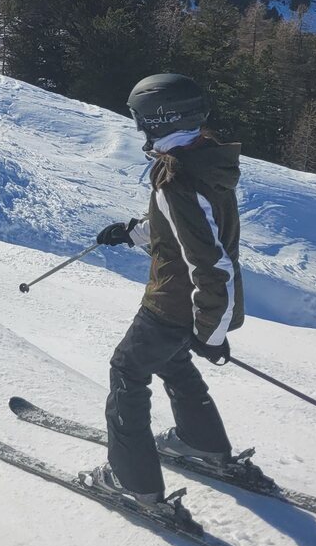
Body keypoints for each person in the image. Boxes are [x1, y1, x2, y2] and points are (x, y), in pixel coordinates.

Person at [84, 73, 244, 513]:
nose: (137, 127)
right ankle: (202, 444)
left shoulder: (176, 181)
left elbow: (213, 266)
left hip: (171, 303)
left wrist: (210, 333)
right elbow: (191, 230)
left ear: (156, 120)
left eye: (139, 118)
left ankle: (132, 481)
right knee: (172, 361)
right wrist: (134, 232)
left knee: (127, 372)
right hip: (186, 307)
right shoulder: (202, 159)